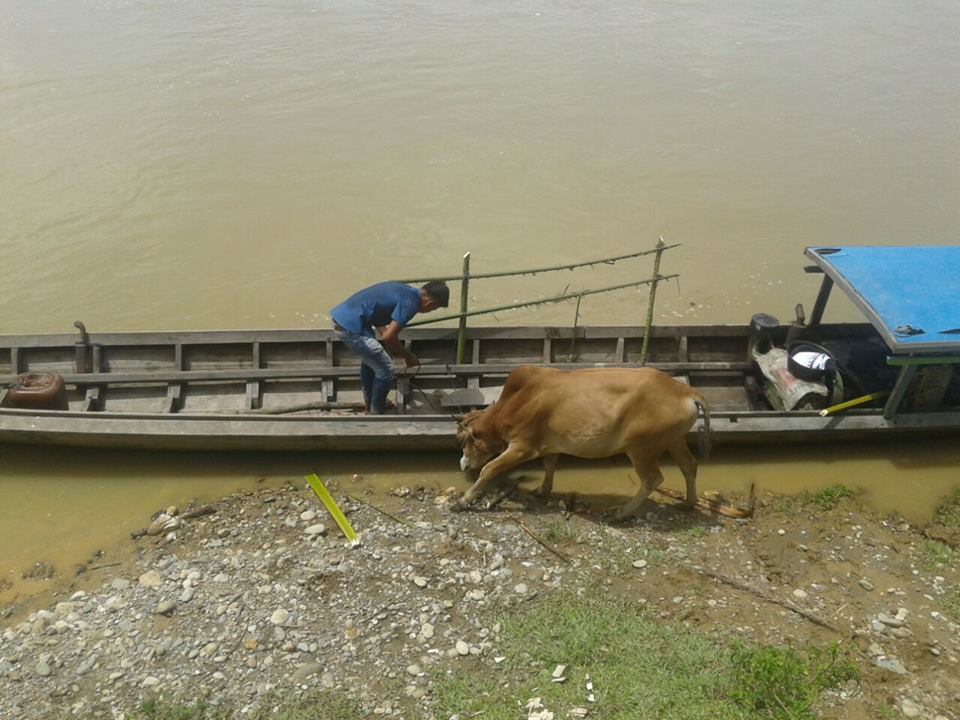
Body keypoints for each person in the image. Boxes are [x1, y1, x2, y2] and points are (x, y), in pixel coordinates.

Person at [330, 280, 450, 414]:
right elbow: (388, 336)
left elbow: (378, 317)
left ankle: (370, 404)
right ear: (430, 303)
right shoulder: (411, 304)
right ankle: (376, 412)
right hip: (351, 329)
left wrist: (392, 345)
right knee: (386, 370)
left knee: (372, 362)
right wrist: (408, 356)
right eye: (433, 309)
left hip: (346, 320)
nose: (430, 310)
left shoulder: (405, 291)